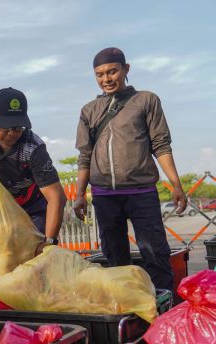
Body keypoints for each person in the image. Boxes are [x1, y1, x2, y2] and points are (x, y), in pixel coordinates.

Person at [74, 47, 187, 291]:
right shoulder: (89, 111)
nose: (106, 79)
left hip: (142, 193)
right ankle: (126, 308)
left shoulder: (146, 100)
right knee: (115, 261)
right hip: (104, 197)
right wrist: (80, 194)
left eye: (112, 71)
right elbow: (85, 156)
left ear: (126, 69)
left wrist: (176, 185)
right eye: (100, 74)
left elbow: (161, 146)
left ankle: (163, 307)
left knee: (155, 255)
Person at [0, 87, 67, 251]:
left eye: (18, 127)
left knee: (32, 257)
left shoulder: (33, 147)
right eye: (6, 127)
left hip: (32, 211)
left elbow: (56, 197)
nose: (12, 133)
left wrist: (49, 243)